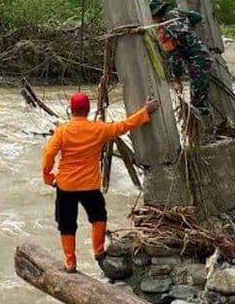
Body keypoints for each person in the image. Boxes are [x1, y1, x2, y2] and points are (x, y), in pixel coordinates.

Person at [42, 92, 161, 272]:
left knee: (66, 224)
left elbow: (49, 154)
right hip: (89, 185)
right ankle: (98, 251)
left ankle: (70, 262)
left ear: (71, 109)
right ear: (88, 109)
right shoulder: (98, 129)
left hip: (66, 186)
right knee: (98, 217)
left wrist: (48, 177)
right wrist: (146, 111)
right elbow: (124, 126)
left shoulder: (62, 131)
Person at [149, 0, 213, 115]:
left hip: (197, 60)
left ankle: (199, 116)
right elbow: (197, 16)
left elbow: (174, 57)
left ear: (154, 16)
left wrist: (177, 79)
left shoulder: (164, 31)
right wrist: (187, 28)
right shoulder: (176, 13)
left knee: (198, 101)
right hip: (202, 55)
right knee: (200, 88)